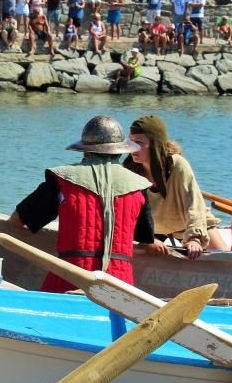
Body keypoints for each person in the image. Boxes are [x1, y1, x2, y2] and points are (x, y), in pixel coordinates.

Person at [9, 116, 155, 293]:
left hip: (68, 278)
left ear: (85, 149)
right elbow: (145, 237)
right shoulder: (139, 186)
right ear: (121, 150)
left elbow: (17, 220)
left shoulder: (61, 180)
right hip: (119, 286)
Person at [122, 116, 227, 259]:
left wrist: (195, 238)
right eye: (131, 142)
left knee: (225, 260)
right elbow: (126, 212)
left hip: (188, 225)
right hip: (153, 229)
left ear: (155, 144)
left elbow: (194, 205)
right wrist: (146, 239)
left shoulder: (178, 165)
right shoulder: (129, 170)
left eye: (139, 143)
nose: (133, 148)